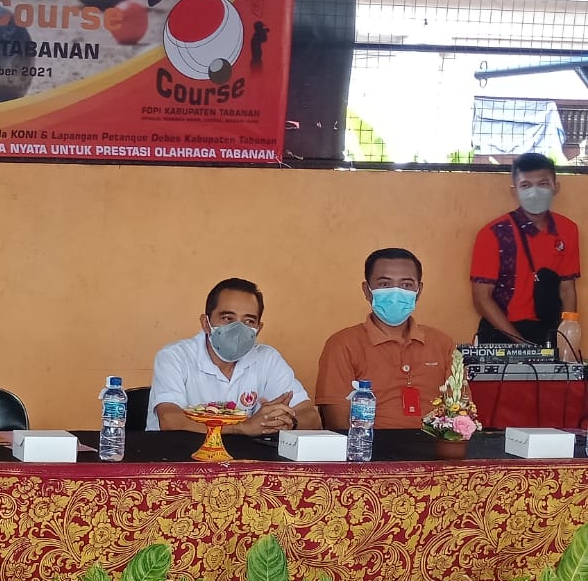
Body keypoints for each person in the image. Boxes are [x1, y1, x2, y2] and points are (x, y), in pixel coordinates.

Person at [147, 277, 320, 435]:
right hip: (178, 454)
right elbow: (170, 421)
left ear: (258, 329)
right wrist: (243, 428)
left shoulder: (267, 359)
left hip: (247, 457)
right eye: (227, 318)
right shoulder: (175, 357)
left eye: (248, 321)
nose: (238, 329)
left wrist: (286, 422)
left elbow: (312, 418)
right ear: (205, 323)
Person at [316, 247, 456, 430]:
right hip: (371, 445)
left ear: (419, 291)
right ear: (367, 291)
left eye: (406, 285)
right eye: (384, 284)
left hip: (435, 444)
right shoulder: (343, 344)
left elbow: (460, 412)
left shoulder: (442, 343)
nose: (396, 293)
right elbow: (337, 424)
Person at [470, 152, 578, 346]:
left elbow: (567, 289)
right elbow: (481, 298)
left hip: (547, 332)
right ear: (515, 191)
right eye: (526, 185)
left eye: (543, 184)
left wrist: (566, 339)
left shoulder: (567, 230)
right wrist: (522, 344)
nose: (535, 192)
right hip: (501, 332)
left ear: (555, 187)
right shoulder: (493, 233)